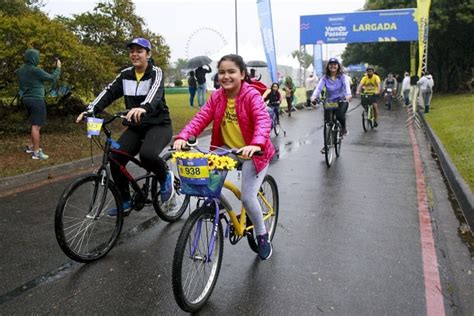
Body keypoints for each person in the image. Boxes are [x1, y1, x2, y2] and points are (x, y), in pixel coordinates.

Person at [173, 54, 276, 260]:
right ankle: (217, 211)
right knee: (208, 185)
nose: (226, 76)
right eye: (222, 72)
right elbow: (201, 118)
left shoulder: (251, 96)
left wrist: (255, 144)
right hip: (226, 149)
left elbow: (263, 121)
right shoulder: (217, 97)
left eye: (231, 72)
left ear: (242, 74)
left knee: (247, 197)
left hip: (253, 153)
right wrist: (183, 136)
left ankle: (262, 235)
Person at [75, 37, 175, 216]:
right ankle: (126, 200)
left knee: (147, 155)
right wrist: (90, 110)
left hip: (158, 125)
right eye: (132, 51)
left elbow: (155, 93)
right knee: (115, 158)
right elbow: (109, 92)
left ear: (148, 54)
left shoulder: (155, 72)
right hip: (136, 126)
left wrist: (143, 108)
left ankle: (165, 176)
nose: (135, 54)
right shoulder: (125, 74)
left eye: (139, 51)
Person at [16, 48, 61, 160]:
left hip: (26, 99)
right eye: (37, 57)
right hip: (36, 100)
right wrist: (58, 68)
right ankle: (36, 152)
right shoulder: (35, 70)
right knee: (36, 126)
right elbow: (51, 78)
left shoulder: (21, 70)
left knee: (33, 125)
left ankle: (32, 147)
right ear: (33, 58)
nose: (38, 59)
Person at [311, 57, 352, 153]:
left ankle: (343, 128)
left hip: (342, 100)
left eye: (335, 64)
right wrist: (313, 97)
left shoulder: (343, 77)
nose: (333, 66)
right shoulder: (324, 78)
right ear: (328, 66)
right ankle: (326, 145)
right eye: (331, 64)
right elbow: (318, 88)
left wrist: (348, 95)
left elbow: (347, 87)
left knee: (339, 115)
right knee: (327, 123)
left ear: (338, 66)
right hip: (330, 102)